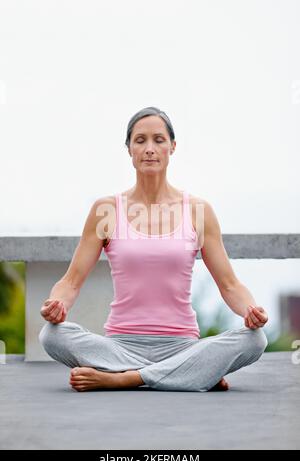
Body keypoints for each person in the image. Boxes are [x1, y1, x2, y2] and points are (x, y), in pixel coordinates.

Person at [38, 106, 268, 393]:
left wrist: (250, 310)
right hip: (119, 346)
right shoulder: (106, 210)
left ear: (172, 147)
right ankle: (188, 376)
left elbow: (230, 284)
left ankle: (126, 378)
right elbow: (70, 282)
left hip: (182, 347)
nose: (149, 149)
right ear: (129, 149)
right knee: (52, 336)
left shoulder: (197, 210)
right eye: (140, 140)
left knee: (255, 340)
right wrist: (56, 304)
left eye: (158, 140)